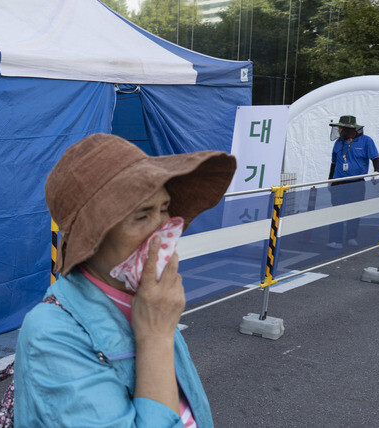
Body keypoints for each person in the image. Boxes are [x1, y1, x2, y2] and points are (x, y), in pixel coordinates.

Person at [14, 134, 236, 427]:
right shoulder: (52, 334)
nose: (164, 229)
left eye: (165, 208)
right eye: (142, 216)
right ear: (92, 239)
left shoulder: (147, 296)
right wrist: (156, 337)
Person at [327, 115, 379, 249]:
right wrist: (330, 180)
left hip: (357, 183)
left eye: (340, 128)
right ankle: (336, 240)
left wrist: (376, 172)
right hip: (339, 182)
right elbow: (334, 163)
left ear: (349, 128)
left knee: (354, 210)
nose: (338, 131)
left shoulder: (366, 141)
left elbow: (375, 158)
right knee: (337, 211)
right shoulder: (339, 142)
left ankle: (351, 237)